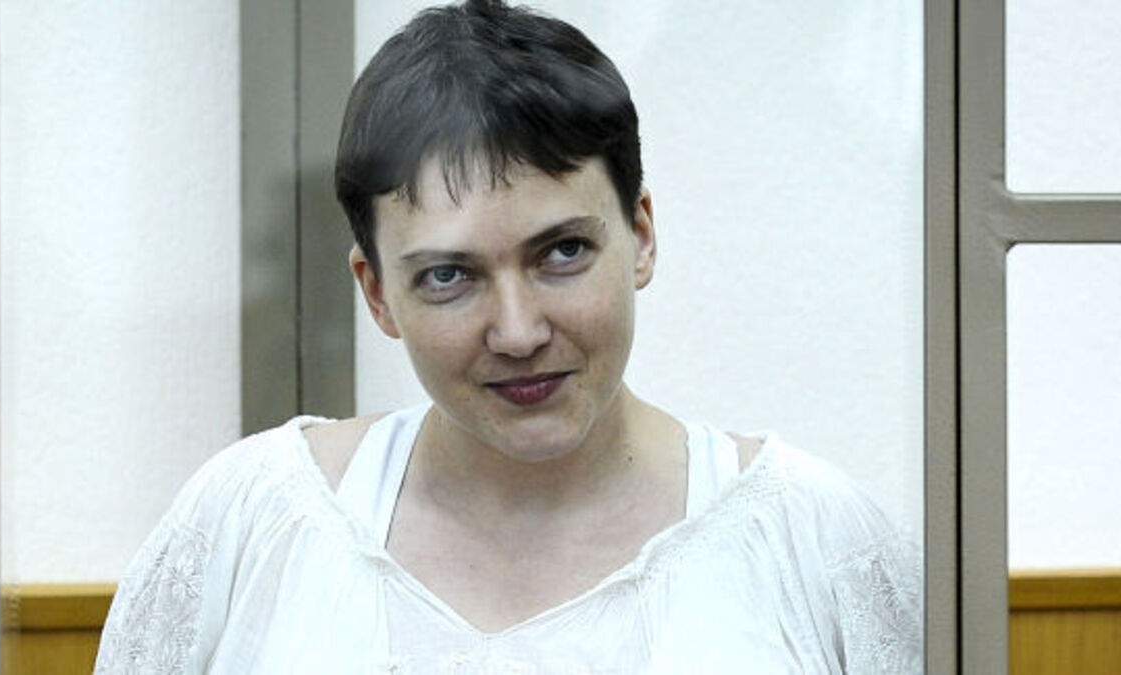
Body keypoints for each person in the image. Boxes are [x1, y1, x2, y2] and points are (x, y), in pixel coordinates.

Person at [95, 1, 922, 672]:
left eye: (562, 252)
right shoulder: (251, 525)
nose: (519, 332)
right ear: (377, 292)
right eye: (447, 276)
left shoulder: (814, 543)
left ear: (640, 235)